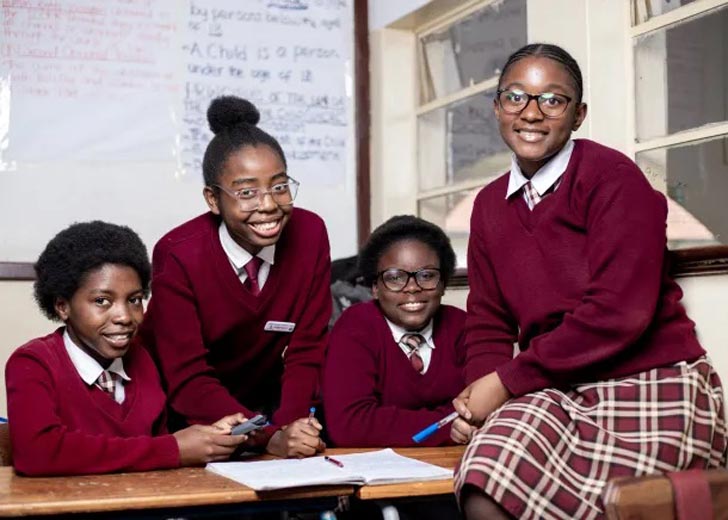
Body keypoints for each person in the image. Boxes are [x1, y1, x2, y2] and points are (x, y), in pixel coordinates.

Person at [451, 43, 727, 520]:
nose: (531, 113)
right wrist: (482, 401)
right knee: (483, 477)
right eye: (516, 96)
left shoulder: (614, 179)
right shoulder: (489, 206)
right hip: (556, 386)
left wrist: (505, 382)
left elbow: (620, 311)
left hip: (651, 382)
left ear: (578, 115)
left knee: (618, 505)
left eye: (552, 100)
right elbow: (488, 319)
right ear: (497, 108)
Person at [137, 96, 331, 458]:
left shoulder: (310, 234)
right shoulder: (179, 253)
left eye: (279, 186)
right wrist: (268, 437)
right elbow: (188, 377)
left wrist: (288, 432)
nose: (269, 204)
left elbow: (306, 350)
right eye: (246, 193)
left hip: (259, 411)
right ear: (213, 199)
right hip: (185, 417)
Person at [5, 221, 247, 476]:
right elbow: (38, 454)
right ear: (63, 306)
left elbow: (156, 454)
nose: (124, 316)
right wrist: (173, 449)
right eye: (102, 301)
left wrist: (214, 438)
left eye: (134, 300)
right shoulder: (32, 363)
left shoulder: (143, 359)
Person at [324, 215, 465, 447]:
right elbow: (350, 425)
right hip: (370, 471)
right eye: (395, 278)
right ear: (375, 288)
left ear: (443, 284)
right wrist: (450, 427)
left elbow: (483, 410)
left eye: (427, 275)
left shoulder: (462, 327)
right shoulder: (356, 326)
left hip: (450, 465)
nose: (412, 288)